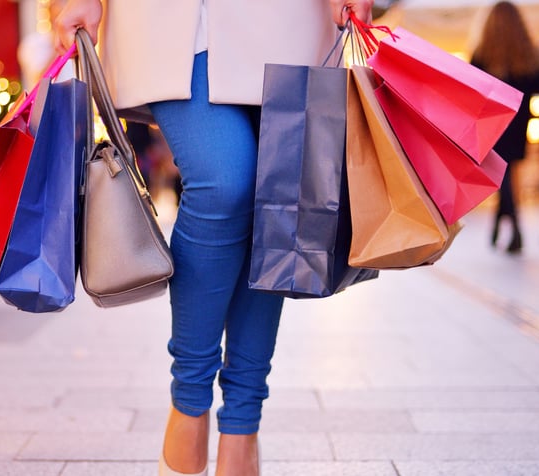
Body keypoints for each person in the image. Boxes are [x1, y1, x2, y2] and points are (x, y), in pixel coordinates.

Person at [54, 1, 374, 475]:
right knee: (224, 181)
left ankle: (242, 425)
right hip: (168, 18)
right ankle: (189, 400)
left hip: (287, 18)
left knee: (276, 195)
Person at [470, 1, 539, 254]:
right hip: (518, 122)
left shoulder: (481, 53)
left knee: (501, 174)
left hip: (491, 122)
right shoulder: (526, 54)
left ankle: (513, 226)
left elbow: (472, 85)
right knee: (507, 173)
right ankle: (503, 225)